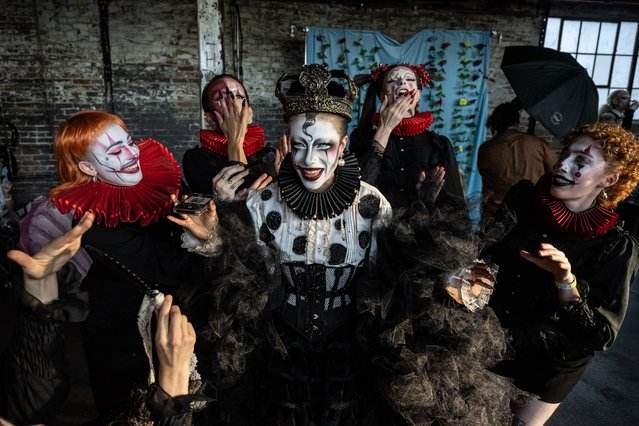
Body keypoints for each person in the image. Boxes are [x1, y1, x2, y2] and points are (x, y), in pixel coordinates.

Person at [163, 64, 527, 426]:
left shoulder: (371, 204)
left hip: (351, 352)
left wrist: (439, 271)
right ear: (287, 143)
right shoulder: (263, 202)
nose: (309, 160)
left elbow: (391, 275)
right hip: (280, 353)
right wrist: (213, 240)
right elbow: (246, 276)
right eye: (300, 145)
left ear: (344, 146)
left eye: (324, 145)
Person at [0, 110, 205, 424]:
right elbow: (167, 267)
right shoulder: (93, 219)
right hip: (121, 338)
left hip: (170, 329)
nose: (130, 154)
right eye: (113, 150)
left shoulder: (148, 188)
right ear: (86, 167)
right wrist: (202, 237)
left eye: (128, 142)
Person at [483, 121, 639, 425]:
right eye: (565, 153)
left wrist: (565, 280)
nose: (563, 164)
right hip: (495, 335)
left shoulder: (616, 247)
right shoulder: (524, 199)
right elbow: (487, 249)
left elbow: (599, 335)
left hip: (553, 360)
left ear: (609, 179)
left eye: (580, 161)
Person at [349, 63, 466, 210]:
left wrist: (427, 201)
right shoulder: (361, 139)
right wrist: (385, 128)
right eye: (392, 81)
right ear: (382, 96)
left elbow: (456, 209)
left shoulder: (439, 146)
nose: (402, 82)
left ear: (418, 94)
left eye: (409, 79)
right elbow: (355, 194)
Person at [182, 74, 273, 196]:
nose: (232, 103)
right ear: (210, 119)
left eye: (239, 96)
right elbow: (242, 197)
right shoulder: (196, 159)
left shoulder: (271, 156)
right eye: (221, 98)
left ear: (250, 113)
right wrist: (235, 141)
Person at [478, 101, 556, 218]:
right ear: (517, 121)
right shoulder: (538, 144)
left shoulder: (485, 149)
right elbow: (554, 173)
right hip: (533, 211)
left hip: (495, 214)